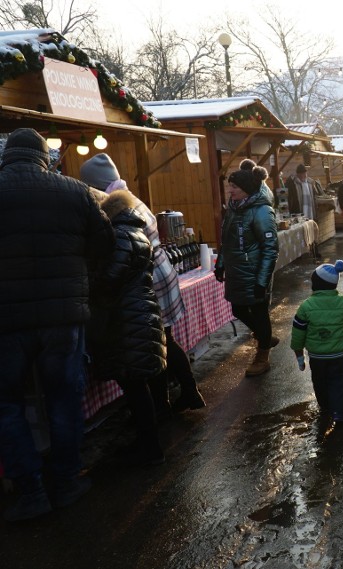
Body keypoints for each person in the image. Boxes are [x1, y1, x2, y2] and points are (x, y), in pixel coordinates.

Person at [0, 128, 114, 522]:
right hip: (64, 318)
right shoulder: (74, 191)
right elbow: (105, 241)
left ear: (7, 155)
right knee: (64, 398)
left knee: (6, 404)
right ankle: (66, 481)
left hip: (7, 321)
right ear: (43, 157)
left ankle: (31, 490)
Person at [79, 153, 205, 415]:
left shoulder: (119, 206)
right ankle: (186, 393)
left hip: (150, 277)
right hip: (160, 271)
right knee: (163, 340)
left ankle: (166, 403)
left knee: (159, 343)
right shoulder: (130, 197)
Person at [89, 189, 168, 467]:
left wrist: (89, 279)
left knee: (135, 385)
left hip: (128, 318)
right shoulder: (133, 232)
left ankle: (150, 448)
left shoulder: (122, 236)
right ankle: (148, 442)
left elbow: (110, 279)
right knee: (138, 384)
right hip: (136, 314)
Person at [215, 163, 280, 377]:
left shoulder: (261, 211)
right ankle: (265, 337)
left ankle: (263, 356)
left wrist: (262, 281)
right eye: (229, 186)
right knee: (238, 310)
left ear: (246, 189)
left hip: (254, 273)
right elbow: (227, 240)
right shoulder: (234, 208)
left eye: (234, 187)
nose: (230, 190)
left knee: (259, 313)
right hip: (236, 271)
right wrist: (221, 263)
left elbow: (270, 249)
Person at [291, 260, 343, 425]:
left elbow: (298, 333)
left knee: (320, 384)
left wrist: (300, 356)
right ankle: (339, 413)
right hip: (338, 356)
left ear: (315, 285)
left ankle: (325, 408)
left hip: (316, 358)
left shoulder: (306, 307)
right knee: (339, 385)